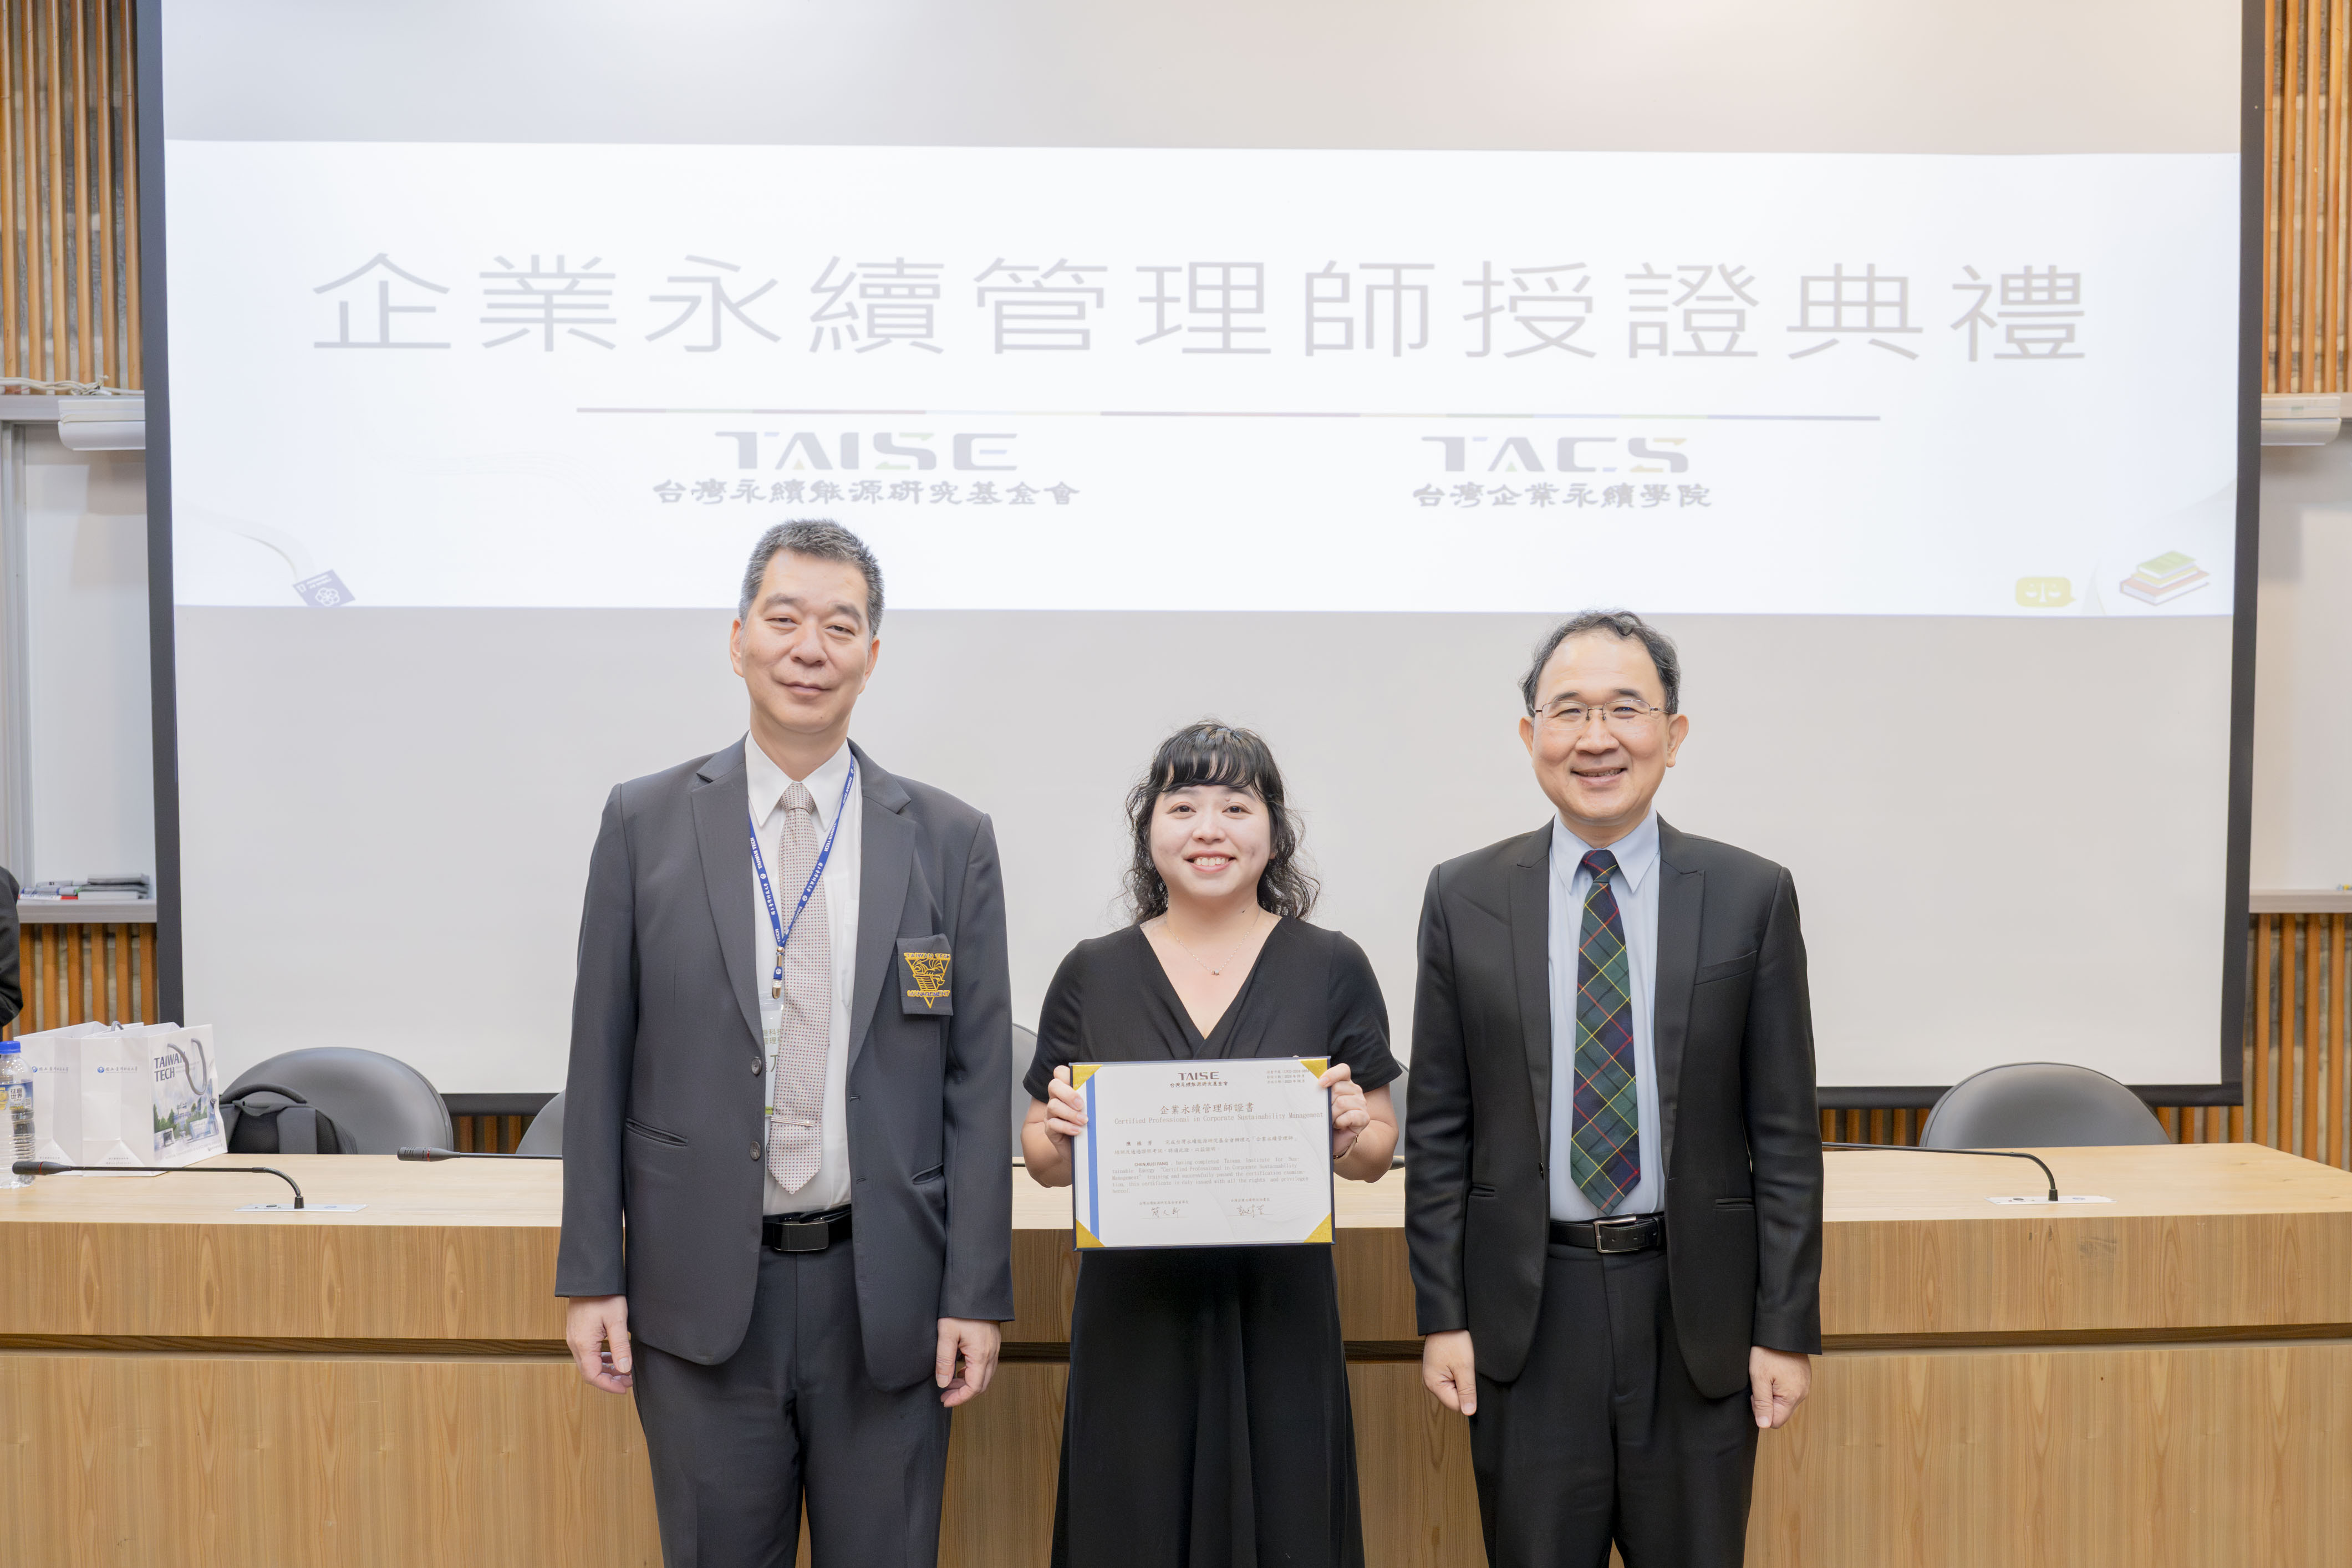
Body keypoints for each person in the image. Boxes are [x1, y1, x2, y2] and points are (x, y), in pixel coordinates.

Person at [556, 520, 1014, 1568]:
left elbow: (977, 1083)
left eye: (840, 625)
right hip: (702, 1296)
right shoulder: (644, 821)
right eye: (785, 619)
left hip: (885, 1297)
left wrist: (974, 1295)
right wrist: (592, 1275)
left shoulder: (948, 837)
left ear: (872, 655)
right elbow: (598, 1058)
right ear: (737, 639)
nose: (811, 647)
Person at [1405, 610, 1822, 1568]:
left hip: (1697, 1319)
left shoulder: (1749, 893)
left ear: (1673, 735)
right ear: (1530, 737)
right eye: (1568, 712)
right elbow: (1438, 1128)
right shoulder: (1462, 896)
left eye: (1625, 709)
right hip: (1526, 1315)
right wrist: (1443, 1316)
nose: (1596, 738)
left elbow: (1786, 1134)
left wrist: (1784, 1330)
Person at [1022, 722, 1401, 1568]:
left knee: (1288, 1526)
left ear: (1272, 833)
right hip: (1133, 1317)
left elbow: (1377, 1146)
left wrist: (1349, 1128)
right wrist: (1055, 1131)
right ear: (1148, 831)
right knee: (1130, 1528)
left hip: (1280, 1314)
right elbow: (1045, 1162)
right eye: (1182, 804)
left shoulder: (1332, 965)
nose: (1208, 827)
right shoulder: (1092, 970)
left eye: (1236, 805)